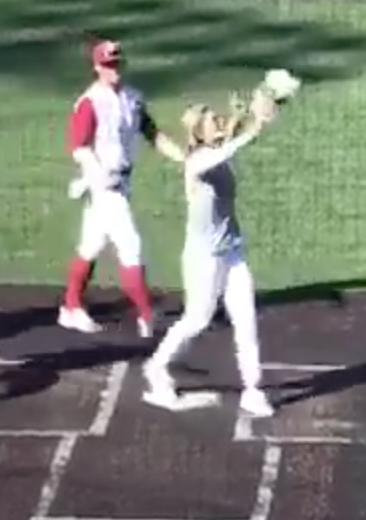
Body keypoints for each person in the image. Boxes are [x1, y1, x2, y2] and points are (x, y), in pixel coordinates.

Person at [142, 85, 291, 418]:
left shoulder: (217, 148)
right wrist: (256, 124)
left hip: (232, 251)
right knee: (197, 318)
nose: (218, 121)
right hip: (204, 258)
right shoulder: (198, 162)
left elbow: (232, 138)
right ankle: (156, 365)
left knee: (246, 318)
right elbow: (231, 147)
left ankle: (253, 390)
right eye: (212, 120)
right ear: (199, 132)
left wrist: (252, 114)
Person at [57, 39, 184, 337]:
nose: (113, 70)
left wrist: (183, 157)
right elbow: (78, 147)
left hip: (122, 182)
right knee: (130, 246)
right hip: (104, 186)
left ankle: (71, 307)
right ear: (97, 67)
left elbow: (152, 133)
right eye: (108, 65)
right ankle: (146, 316)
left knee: (91, 245)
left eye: (117, 64)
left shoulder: (133, 98)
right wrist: (98, 173)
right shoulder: (89, 102)